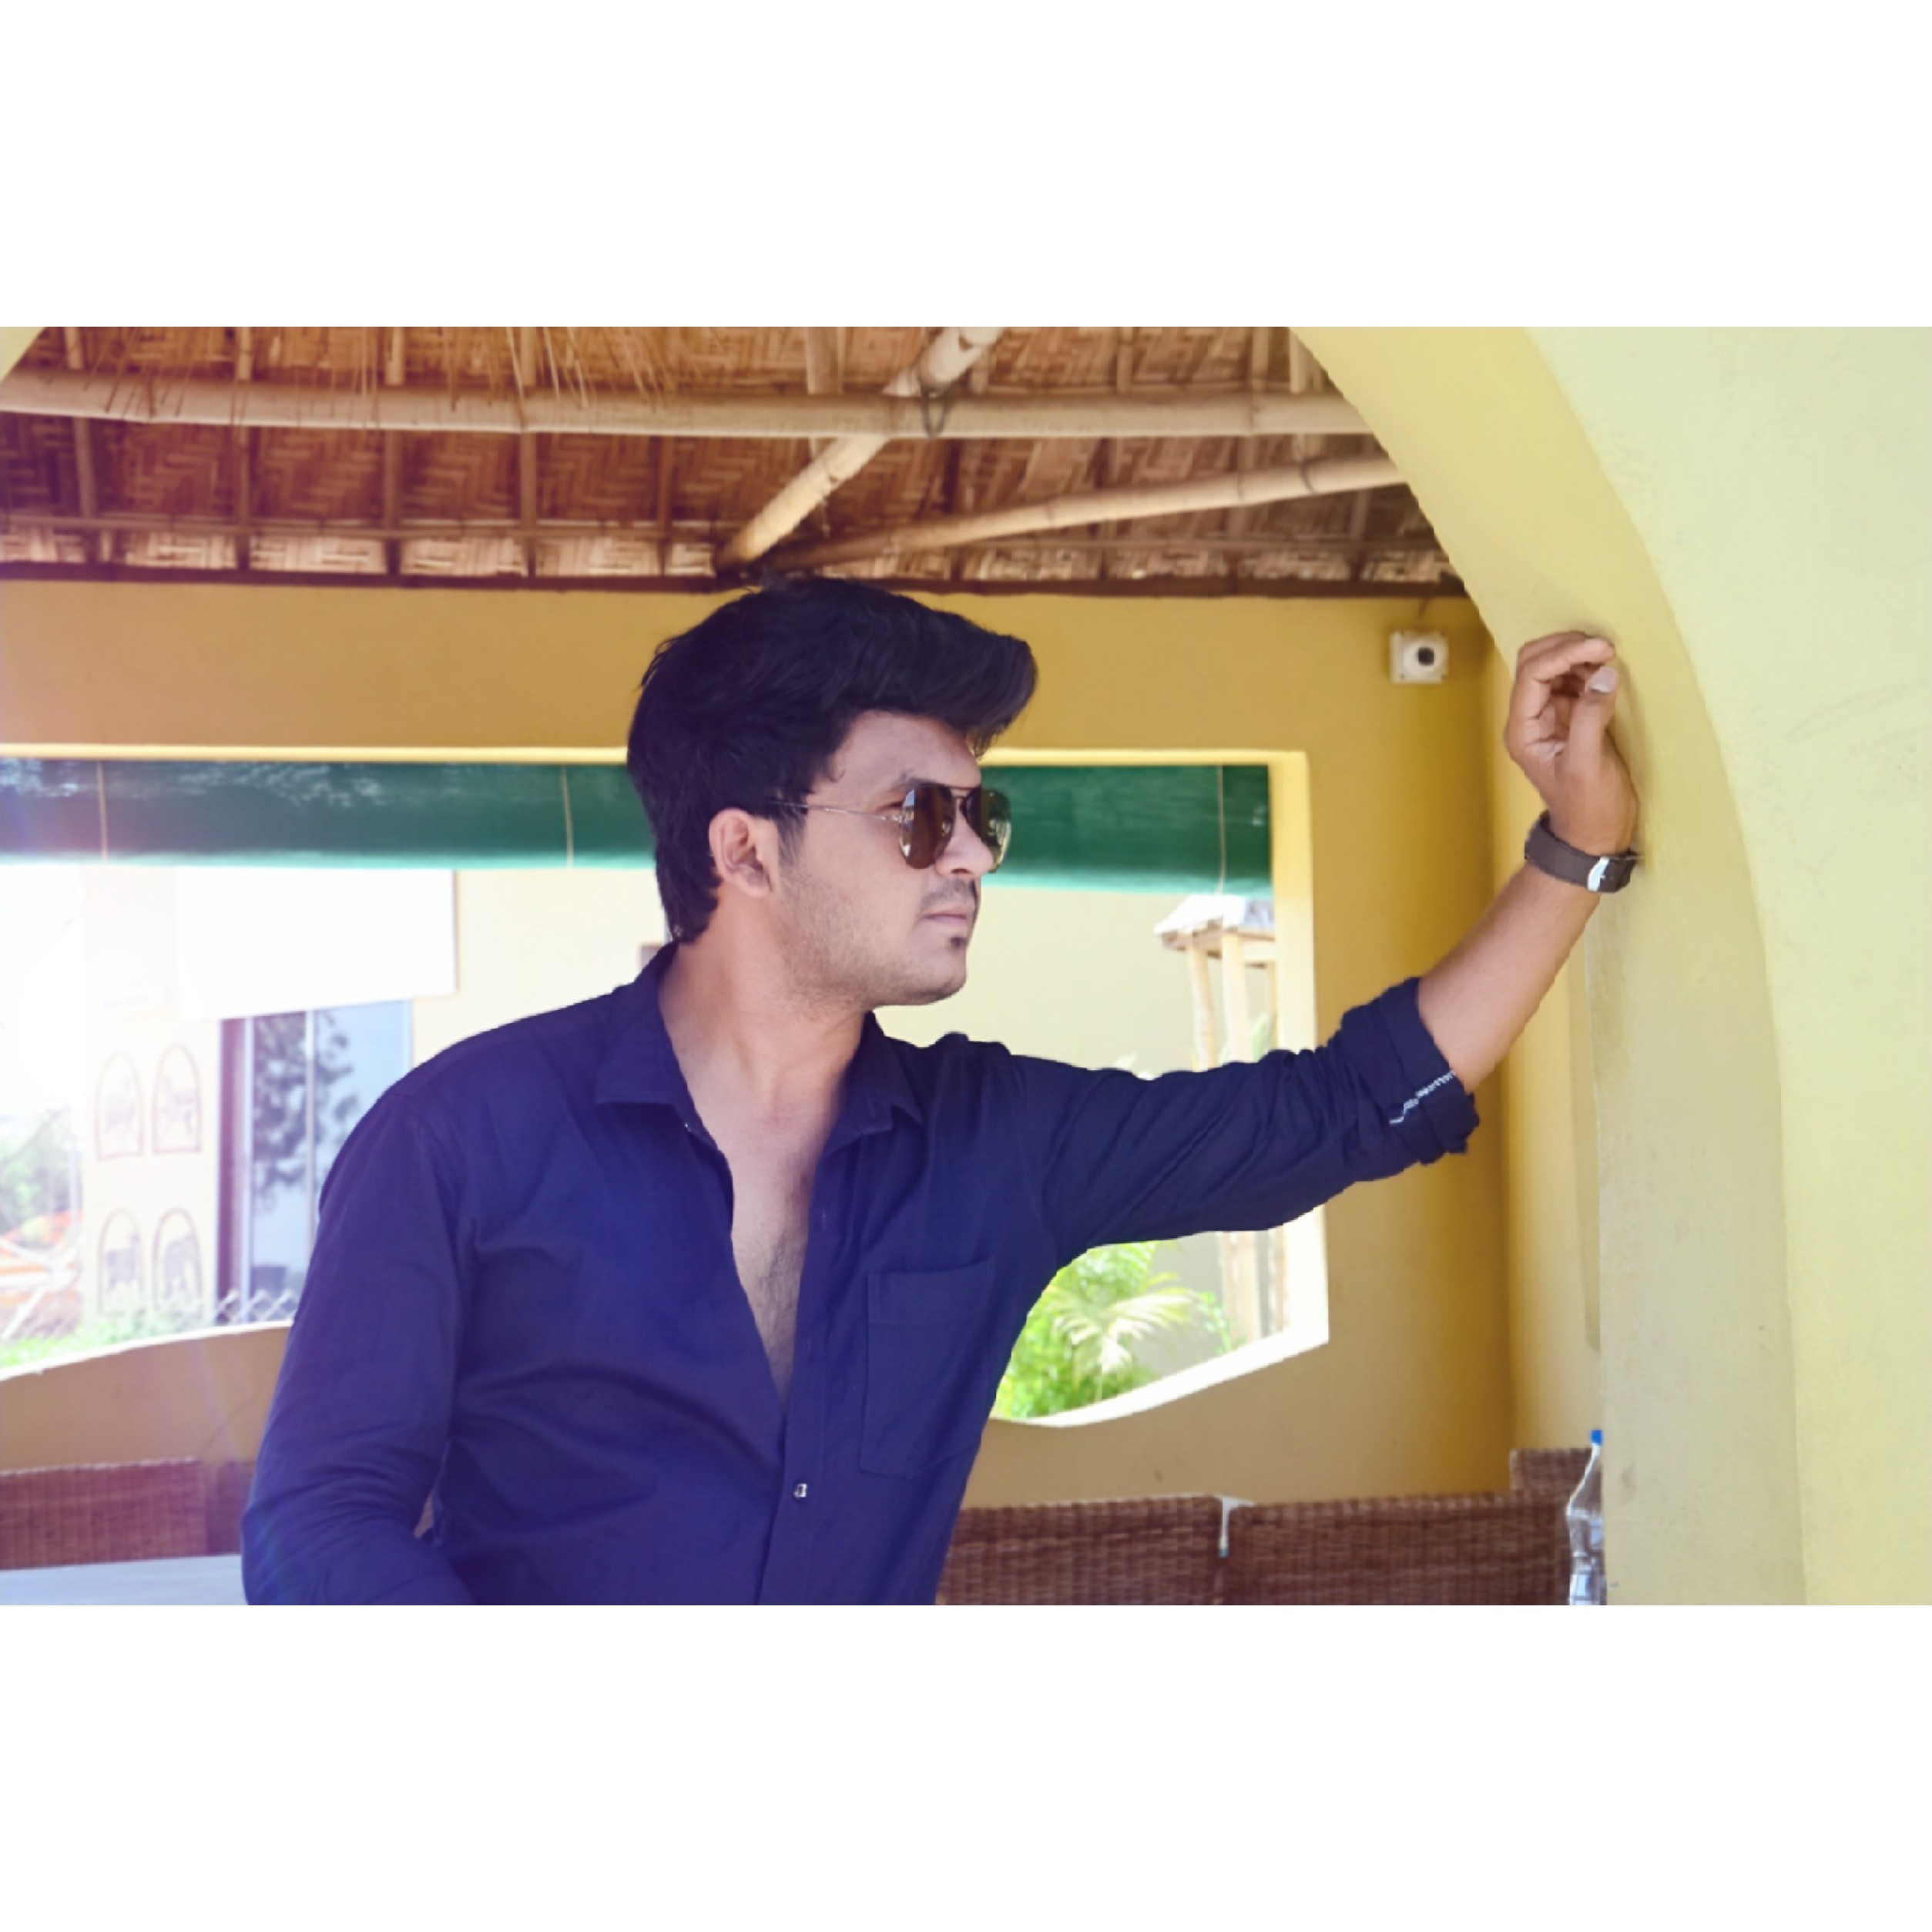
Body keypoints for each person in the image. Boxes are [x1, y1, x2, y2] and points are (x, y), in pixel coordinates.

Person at [243, 576, 1639, 1604]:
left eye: (983, 815)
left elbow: (1336, 1110)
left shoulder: (994, 1146)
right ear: (745, 850)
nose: (971, 855)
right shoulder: (456, 1141)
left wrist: (1578, 845)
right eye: (920, 815)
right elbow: (322, 1520)